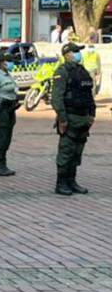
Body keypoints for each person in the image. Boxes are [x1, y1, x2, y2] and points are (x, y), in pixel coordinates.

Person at [51, 42, 95, 195]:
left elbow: (89, 95)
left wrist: (92, 114)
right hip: (70, 117)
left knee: (77, 151)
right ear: (67, 54)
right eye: (75, 51)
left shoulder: (82, 71)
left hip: (83, 117)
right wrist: (62, 119)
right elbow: (56, 97)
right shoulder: (62, 71)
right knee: (66, 151)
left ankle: (72, 180)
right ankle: (61, 182)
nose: (78, 54)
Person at [0, 52, 20, 177]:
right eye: (8, 60)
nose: (11, 63)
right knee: (0, 139)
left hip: (10, 110)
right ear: (1, 62)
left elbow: (15, 89)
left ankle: (3, 164)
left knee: (7, 138)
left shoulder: (8, 75)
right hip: (1, 110)